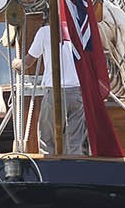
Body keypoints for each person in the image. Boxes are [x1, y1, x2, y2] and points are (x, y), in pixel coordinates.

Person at [13, 18, 87, 155]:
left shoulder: (44, 32)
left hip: (55, 92)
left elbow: (27, 63)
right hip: (76, 91)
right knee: (74, 140)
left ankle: (48, 170)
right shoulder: (77, 30)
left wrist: (16, 63)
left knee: (47, 138)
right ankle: (74, 169)